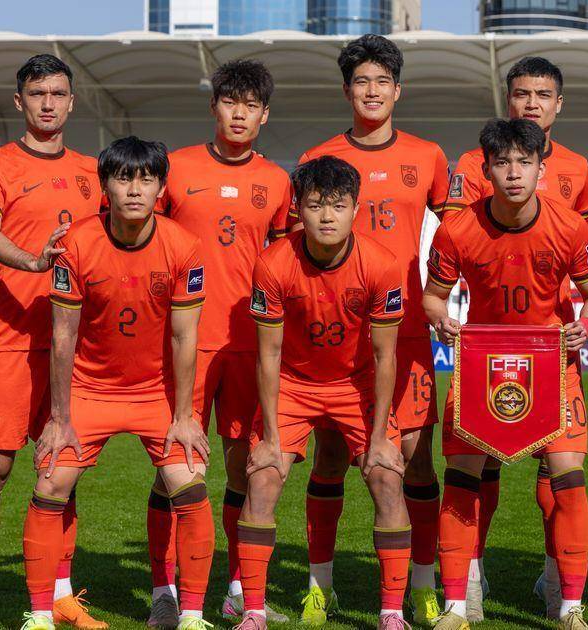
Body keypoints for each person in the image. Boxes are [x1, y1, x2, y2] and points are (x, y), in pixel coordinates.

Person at [276, 34, 451, 626]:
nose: (371, 92)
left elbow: (456, 233)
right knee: (328, 459)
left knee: (414, 462)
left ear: (398, 90)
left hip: (404, 334)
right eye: (361, 82)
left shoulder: (428, 155)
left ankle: (421, 585)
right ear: (346, 90)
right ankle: (319, 586)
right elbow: (291, 240)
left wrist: (440, 296)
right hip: (331, 337)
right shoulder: (319, 156)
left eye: (382, 82)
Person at [21, 136, 212, 630]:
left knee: (189, 484)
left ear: (162, 188)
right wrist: (59, 418)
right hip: (89, 390)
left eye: (146, 179)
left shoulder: (184, 246)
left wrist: (185, 417)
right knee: (51, 482)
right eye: (123, 178)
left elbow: (185, 336)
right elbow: (63, 335)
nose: (134, 189)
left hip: (156, 392)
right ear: (105, 186)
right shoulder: (76, 243)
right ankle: (40, 614)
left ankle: (189, 614)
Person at [425, 118, 588, 630]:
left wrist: (585, 325)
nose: (513, 173)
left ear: (540, 169)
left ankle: (569, 606)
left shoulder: (570, 227)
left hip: (552, 365)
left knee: (569, 480)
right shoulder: (456, 229)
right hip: (482, 365)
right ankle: (458, 603)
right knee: (462, 480)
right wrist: (441, 320)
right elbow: (433, 297)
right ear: (485, 170)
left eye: (524, 163)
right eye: (502, 163)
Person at [0, 54, 103, 630]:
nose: (48, 103)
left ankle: (61, 594)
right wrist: (35, 261)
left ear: (72, 102)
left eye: (57, 93)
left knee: (62, 469)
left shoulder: (94, 171)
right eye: (37, 93)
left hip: (76, 343)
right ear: (20, 101)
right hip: (13, 336)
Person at [143, 57, 293, 628]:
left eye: (250, 106)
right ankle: (164, 591)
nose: (239, 114)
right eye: (230, 102)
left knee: (241, 468)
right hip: (181, 342)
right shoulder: (176, 168)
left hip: (248, 343)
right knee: (174, 467)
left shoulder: (277, 181)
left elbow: (285, 258)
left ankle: (235, 590)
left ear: (264, 114)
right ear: (214, 106)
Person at [235, 156, 410, 630]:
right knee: (264, 476)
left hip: (356, 384)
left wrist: (379, 438)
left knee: (387, 477)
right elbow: (268, 355)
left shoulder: (382, 264)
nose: (327, 216)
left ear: (356, 208)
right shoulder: (273, 263)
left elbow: (385, 357)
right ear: (298, 209)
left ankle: (392, 613)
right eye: (315, 205)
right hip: (293, 383)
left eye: (338, 205)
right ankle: (253, 613)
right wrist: (271, 439)